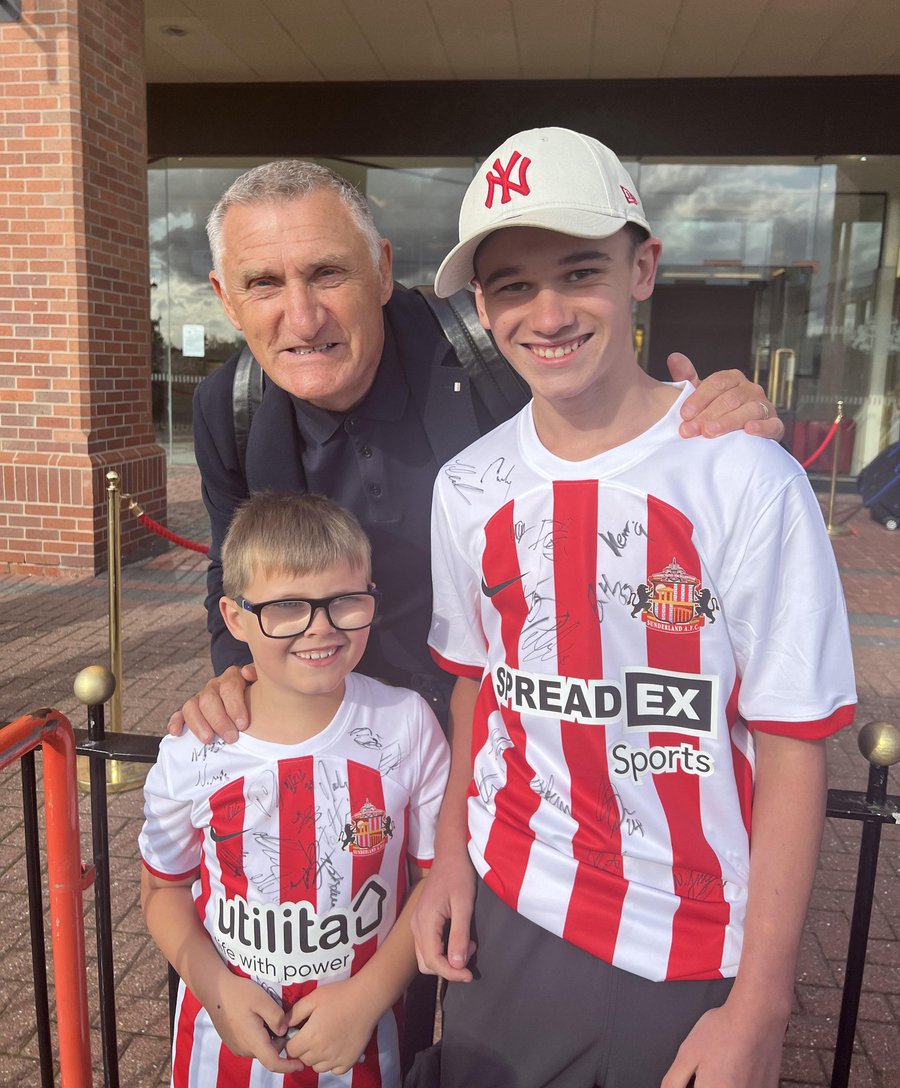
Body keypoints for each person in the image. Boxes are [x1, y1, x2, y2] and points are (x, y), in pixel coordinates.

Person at [413, 127, 857, 1088]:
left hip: (681, 939)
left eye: (581, 272)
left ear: (642, 268)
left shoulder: (746, 477)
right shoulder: (466, 485)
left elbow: (791, 744)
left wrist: (762, 1007)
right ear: (483, 308)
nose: (549, 312)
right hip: (506, 905)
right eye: (512, 286)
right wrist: (447, 861)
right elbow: (475, 697)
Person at [175, 160, 783, 745]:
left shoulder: (496, 354)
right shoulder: (229, 407)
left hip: (507, 726)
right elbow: (231, 564)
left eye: (329, 273)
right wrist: (237, 670)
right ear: (226, 300)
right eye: (263, 284)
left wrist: (715, 421)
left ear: (383, 270)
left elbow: (626, 437)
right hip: (349, 724)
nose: (303, 319)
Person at [140, 492, 449, 1086]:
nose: (321, 629)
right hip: (218, 1051)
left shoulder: (406, 725)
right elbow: (162, 887)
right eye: (286, 607)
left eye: (345, 602)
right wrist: (217, 991)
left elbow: (433, 882)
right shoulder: (193, 749)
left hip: (366, 1051)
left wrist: (368, 997)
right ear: (234, 618)